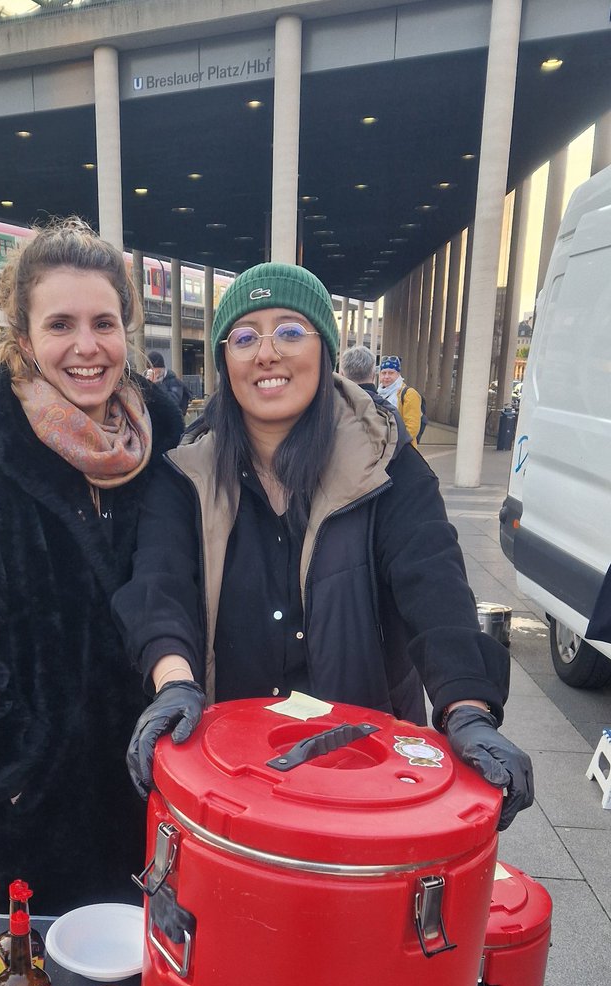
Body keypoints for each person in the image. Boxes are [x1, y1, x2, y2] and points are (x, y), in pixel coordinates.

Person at [114, 262, 534, 833]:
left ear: (327, 350)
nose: (266, 353)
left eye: (289, 331)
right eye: (244, 337)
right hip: (229, 774)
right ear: (225, 362)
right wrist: (174, 683)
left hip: (363, 766)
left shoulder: (388, 465)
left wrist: (468, 711)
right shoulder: (185, 473)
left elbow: (433, 585)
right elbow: (159, 584)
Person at [0, 217, 184, 915]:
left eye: (104, 322)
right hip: (18, 837)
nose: (87, 346)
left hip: (146, 814)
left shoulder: (163, 464)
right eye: (61, 324)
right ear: (24, 339)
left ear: (127, 331)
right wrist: (11, 780)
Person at [378, 354, 424, 446]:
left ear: (398, 374)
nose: (386, 377)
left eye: (391, 373)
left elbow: (412, 428)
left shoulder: (409, 394)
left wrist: (395, 444)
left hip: (402, 449)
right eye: (384, 373)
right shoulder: (378, 393)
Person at [146, 350, 191, 417]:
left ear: (162, 368)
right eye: (150, 370)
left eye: (155, 370)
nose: (154, 373)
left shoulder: (174, 382)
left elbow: (173, 402)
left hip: (171, 421)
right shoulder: (147, 380)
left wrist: (157, 384)